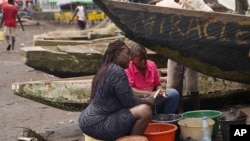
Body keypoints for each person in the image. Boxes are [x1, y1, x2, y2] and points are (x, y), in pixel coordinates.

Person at [78, 40, 155, 140]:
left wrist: (142, 96)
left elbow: (125, 94)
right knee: (145, 111)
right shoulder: (117, 71)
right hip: (98, 123)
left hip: (88, 121)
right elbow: (129, 102)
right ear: (118, 54)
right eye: (127, 54)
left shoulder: (107, 68)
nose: (130, 58)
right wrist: (146, 100)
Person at [156, 0, 213, 113]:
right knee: (174, 86)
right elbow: (157, 9)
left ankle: (198, 111)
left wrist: (192, 11)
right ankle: (180, 114)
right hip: (174, 50)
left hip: (191, 50)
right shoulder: (168, 3)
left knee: (192, 85)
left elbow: (210, 13)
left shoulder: (195, 2)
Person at [125, 43, 180, 114]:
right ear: (132, 60)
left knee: (173, 94)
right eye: (140, 59)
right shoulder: (128, 68)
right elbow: (130, 90)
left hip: (153, 98)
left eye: (145, 58)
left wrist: (160, 90)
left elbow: (157, 84)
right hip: (138, 102)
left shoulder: (151, 65)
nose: (144, 61)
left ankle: (166, 119)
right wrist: (149, 93)